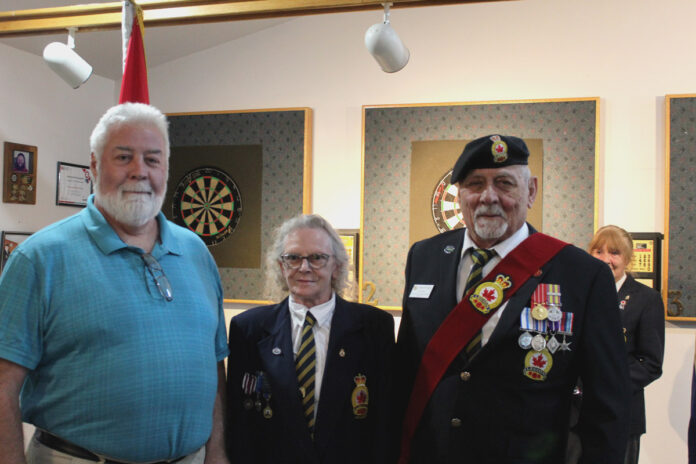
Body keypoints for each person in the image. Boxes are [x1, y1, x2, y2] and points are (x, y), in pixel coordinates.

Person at [0, 103, 229, 464]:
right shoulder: (40, 258)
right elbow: (3, 383)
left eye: (152, 160)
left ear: (166, 168)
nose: (140, 171)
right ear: (94, 166)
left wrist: (217, 454)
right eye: (124, 157)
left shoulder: (196, 252)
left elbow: (214, 366)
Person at [395, 134, 630, 464]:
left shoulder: (582, 274)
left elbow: (608, 404)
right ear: (459, 195)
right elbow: (406, 370)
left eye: (504, 183)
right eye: (475, 184)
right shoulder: (424, 256)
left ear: (531, 191)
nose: (488, 197)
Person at [226, 214, 395, 464]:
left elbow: (385, 421)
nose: (304, 267)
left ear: (336, 266)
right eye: (293, 258)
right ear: (281, 266)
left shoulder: (374, 327)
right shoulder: (248, 329)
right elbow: (239, 421)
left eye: (317, 258)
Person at [588, 225, 664, 464]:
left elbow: (650, 364)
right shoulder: (580, 292)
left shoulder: (647, 299)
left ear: (628, 258)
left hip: (620, 412)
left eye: (614, 253)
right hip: (576, 414)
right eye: (598, 251)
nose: (605, 259)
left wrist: (607, 382)